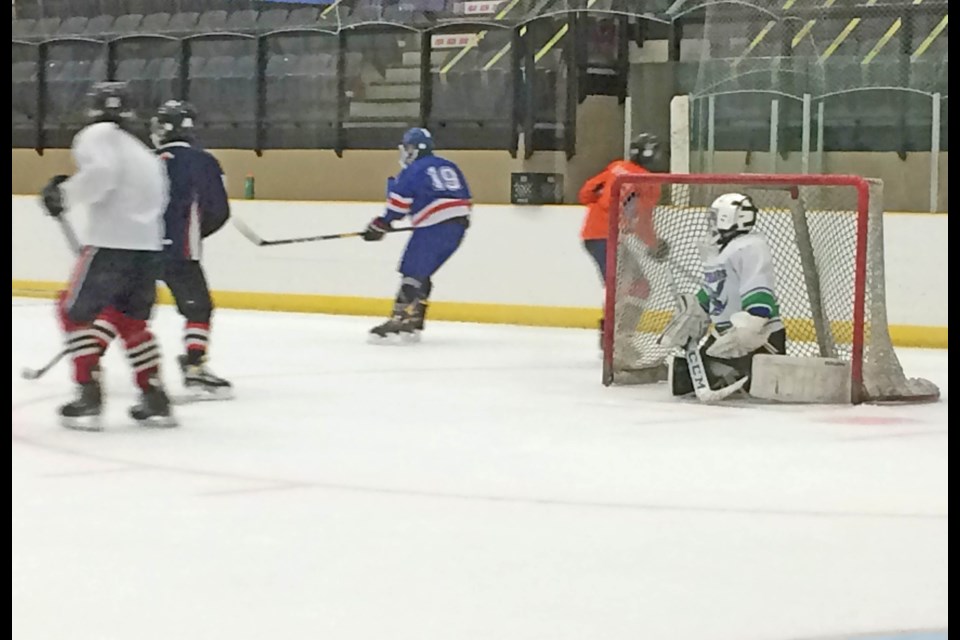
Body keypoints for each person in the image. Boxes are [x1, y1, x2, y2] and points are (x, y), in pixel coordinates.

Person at [40, 81, 176, 430]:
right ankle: (155, 396)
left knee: (73, 312)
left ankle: (88, 395)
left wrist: (64, 195)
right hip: (147, 248)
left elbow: (102, 174)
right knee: (131, 321)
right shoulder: (141, 148)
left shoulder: (96, 135)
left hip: (109, 244)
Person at [657, 193, 787, 399]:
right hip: (726, 337)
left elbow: (758, 285)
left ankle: (753, 368)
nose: (711, 222)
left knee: (709, 375)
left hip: (759, 338)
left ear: (730, 218)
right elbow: (715, 289)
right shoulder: (721, 251)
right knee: (682, 379)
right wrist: (696, 310)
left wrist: (752, 325)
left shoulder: (751, 246)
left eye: (716, 216)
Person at [361, 127, 471, 342]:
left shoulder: (413, 170)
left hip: (435, 227)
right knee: (423, 271)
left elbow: (399, 203)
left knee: (411, 270)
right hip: (457, 227)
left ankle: (400, 320)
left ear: (415, 150)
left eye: (408, 147)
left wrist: (381, 224)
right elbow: (462, 197)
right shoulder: (449, 165)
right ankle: (414, 320)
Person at [578, 132, 669, 357]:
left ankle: (610, 336)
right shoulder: (648, 182)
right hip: (609, 238)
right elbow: (642, 220)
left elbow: (586, 193)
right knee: (635, 287)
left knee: (620, 287)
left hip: (592, 235)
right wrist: (654, 244)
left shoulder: (616, 167)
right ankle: (619, 340)